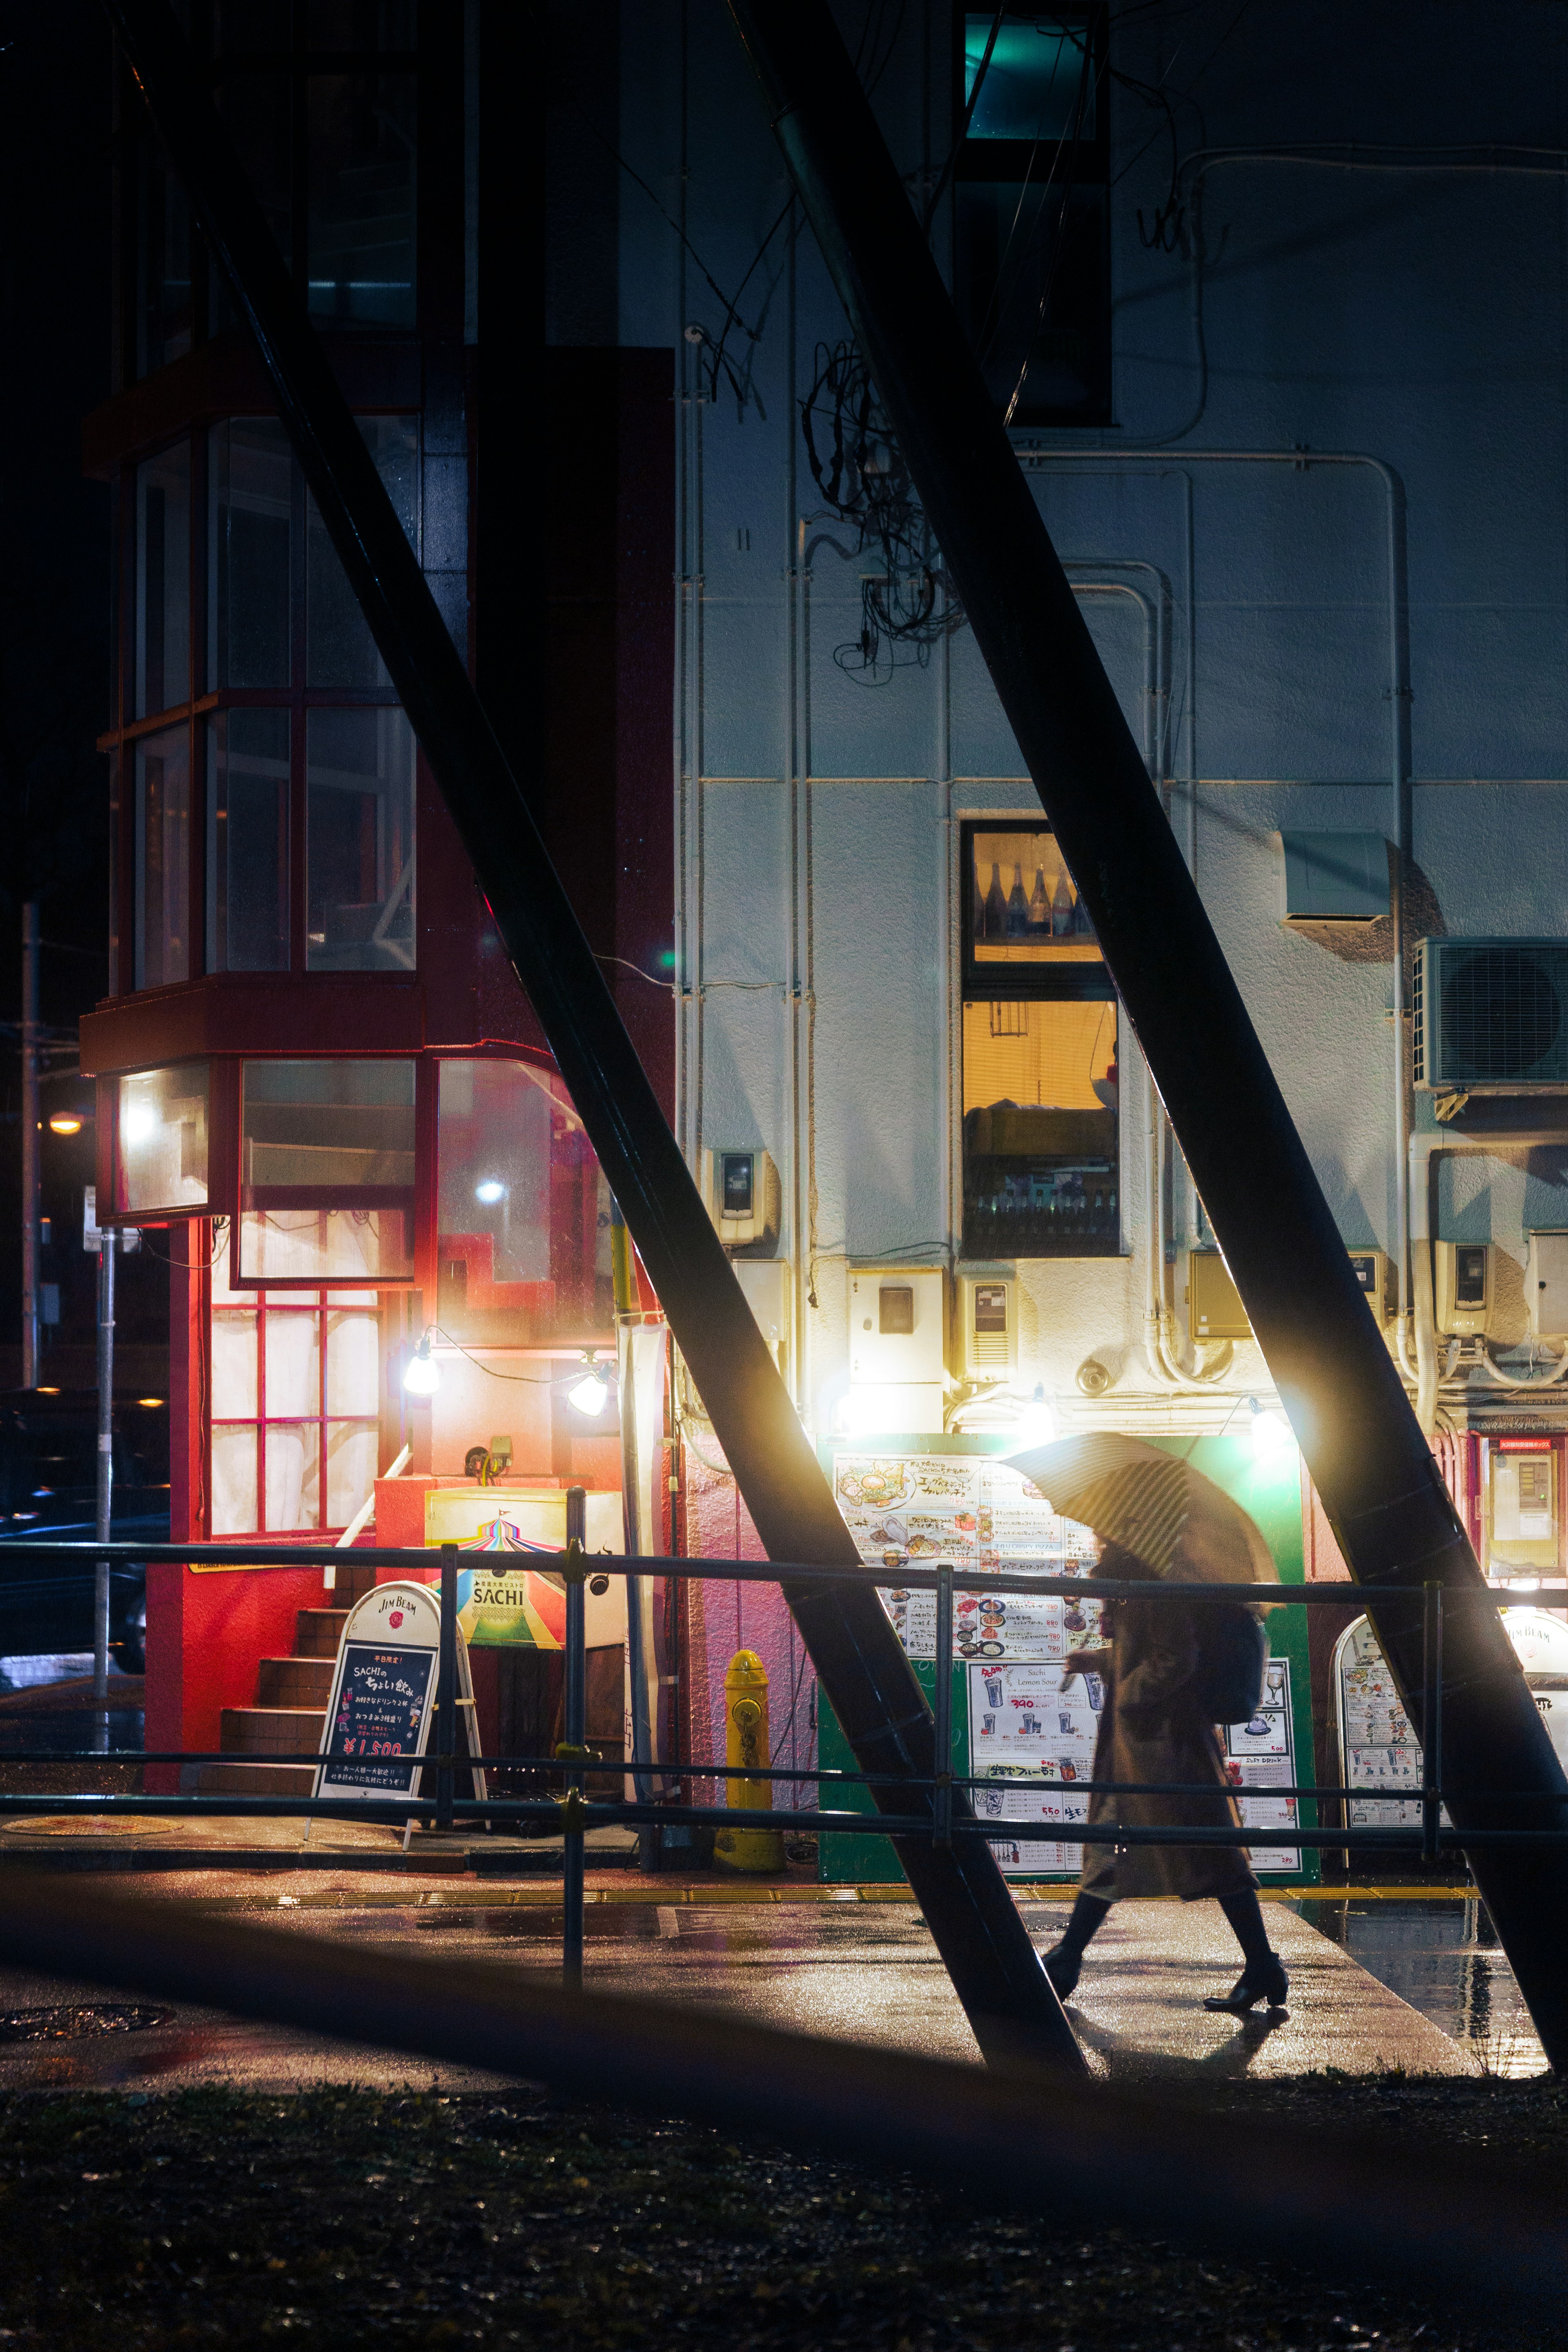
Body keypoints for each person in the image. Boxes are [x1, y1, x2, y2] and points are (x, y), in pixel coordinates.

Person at [1043, 1537, 1289, 2013]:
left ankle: (1067, 1959)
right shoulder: (1140, 1588)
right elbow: (1151, 1652)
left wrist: (1129, 1699)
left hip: (1164, 1744)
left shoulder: (1154, 1588)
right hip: (1148, 1745)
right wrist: (1102, 1660)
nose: (1096, 1541)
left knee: (1198, 1850)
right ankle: (1067, 1958)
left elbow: (1175, 1659)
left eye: (1102, 1537)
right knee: (1127, 1842)